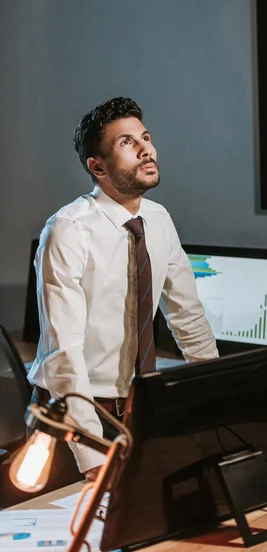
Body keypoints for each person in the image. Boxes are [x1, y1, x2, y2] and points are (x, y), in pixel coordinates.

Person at [27, 97, 219, 482]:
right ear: (97, 167)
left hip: (134, 407)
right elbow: (64, 352)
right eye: (127, 143)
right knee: (72, 537)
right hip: (74, 415)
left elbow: (188, 318)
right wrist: (90, 451)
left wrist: (220, 398)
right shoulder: (68, 231)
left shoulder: (159, 219)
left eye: (145, 137)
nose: (146, 149)